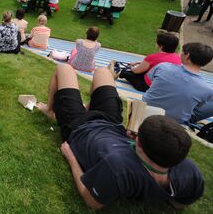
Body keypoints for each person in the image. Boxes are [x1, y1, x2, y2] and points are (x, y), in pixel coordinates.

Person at [35, 64, 204, 209]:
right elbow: (179, 203)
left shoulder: (118, 168)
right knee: (103, 72)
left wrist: (70, 156)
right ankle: (89, 106)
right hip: (111, 123)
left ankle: (50, 111)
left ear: (139, 143)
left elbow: (91, 201)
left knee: (64, 68)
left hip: (78, 127)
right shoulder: (189, 174)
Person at [143, 42, 213, 125]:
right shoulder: (207, 89)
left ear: (187, 55)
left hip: (145, 109)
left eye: (182, 51)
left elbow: (150, 81)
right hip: (175, 121)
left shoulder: (163, 67)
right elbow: (198, 107)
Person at [110, 32, 181, 92]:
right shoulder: (178, 58)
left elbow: (136, 71)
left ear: (161, 46)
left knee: (125, 72)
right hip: (166, 88)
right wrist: (139, 63)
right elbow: (159, 63)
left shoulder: (152, 57)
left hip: (148, 87)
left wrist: (131, 67)